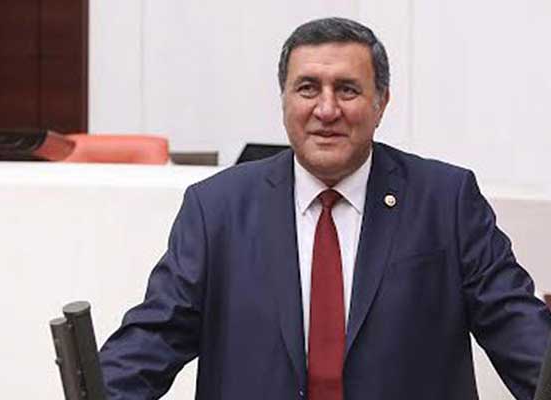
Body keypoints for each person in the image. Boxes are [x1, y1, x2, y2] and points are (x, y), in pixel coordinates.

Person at [99, 17, 551, 400]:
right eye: (308, 88)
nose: (327, 109)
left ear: (381, 103)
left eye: (348, 90)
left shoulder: (446, 200)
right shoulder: (217, 208)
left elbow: (515, 326)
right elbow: (155, 336)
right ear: (284, 100)